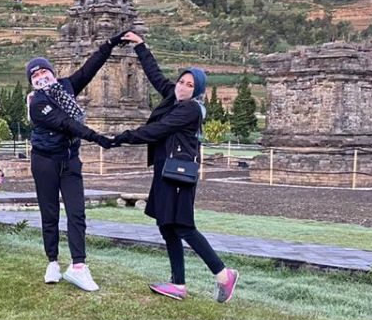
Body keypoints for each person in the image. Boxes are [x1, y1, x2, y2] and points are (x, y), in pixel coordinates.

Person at [112, 32, 238, 302]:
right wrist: (140, 45)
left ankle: (224, 275)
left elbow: (158, 130)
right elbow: (155, 75)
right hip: (164, 172)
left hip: (178, 176)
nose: (181, 87)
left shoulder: (190, 109)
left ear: (197, 91)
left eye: (189, 85)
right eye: (181, 81)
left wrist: (122, 137)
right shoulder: (174, 98)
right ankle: (178, 284)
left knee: (183, 226)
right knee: (166, 226)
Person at [25, 32, 126, 292]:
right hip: (44, 161)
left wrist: (111, 43)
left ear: (52, 72)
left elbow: (91, 68)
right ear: (32, 81)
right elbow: (66, 123)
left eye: (43, 72)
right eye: (35, 76)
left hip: (69, 161)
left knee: (76, 212)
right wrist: (98, 137)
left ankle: (79, 266)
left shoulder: (67, 88)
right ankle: (52, 262)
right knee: (50, 213)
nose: (40, 77)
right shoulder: (37, 103)